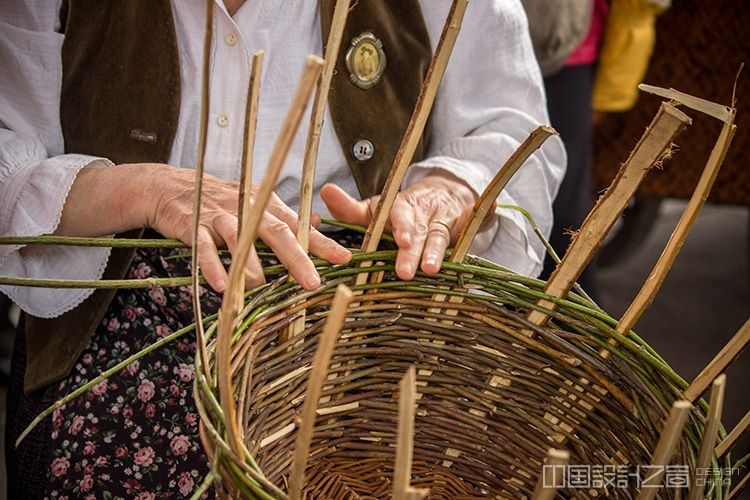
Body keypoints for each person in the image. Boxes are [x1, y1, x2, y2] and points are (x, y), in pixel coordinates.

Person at [0, 0, 564, 497]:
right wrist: (146, 188)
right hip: (129, 299)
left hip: (363, 296)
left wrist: (450, 186)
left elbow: (508, 122)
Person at [523, 0, 667, 299]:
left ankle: (575, 325)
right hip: (506, 44)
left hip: (560, 49)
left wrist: (613, 85)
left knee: (561, 211)